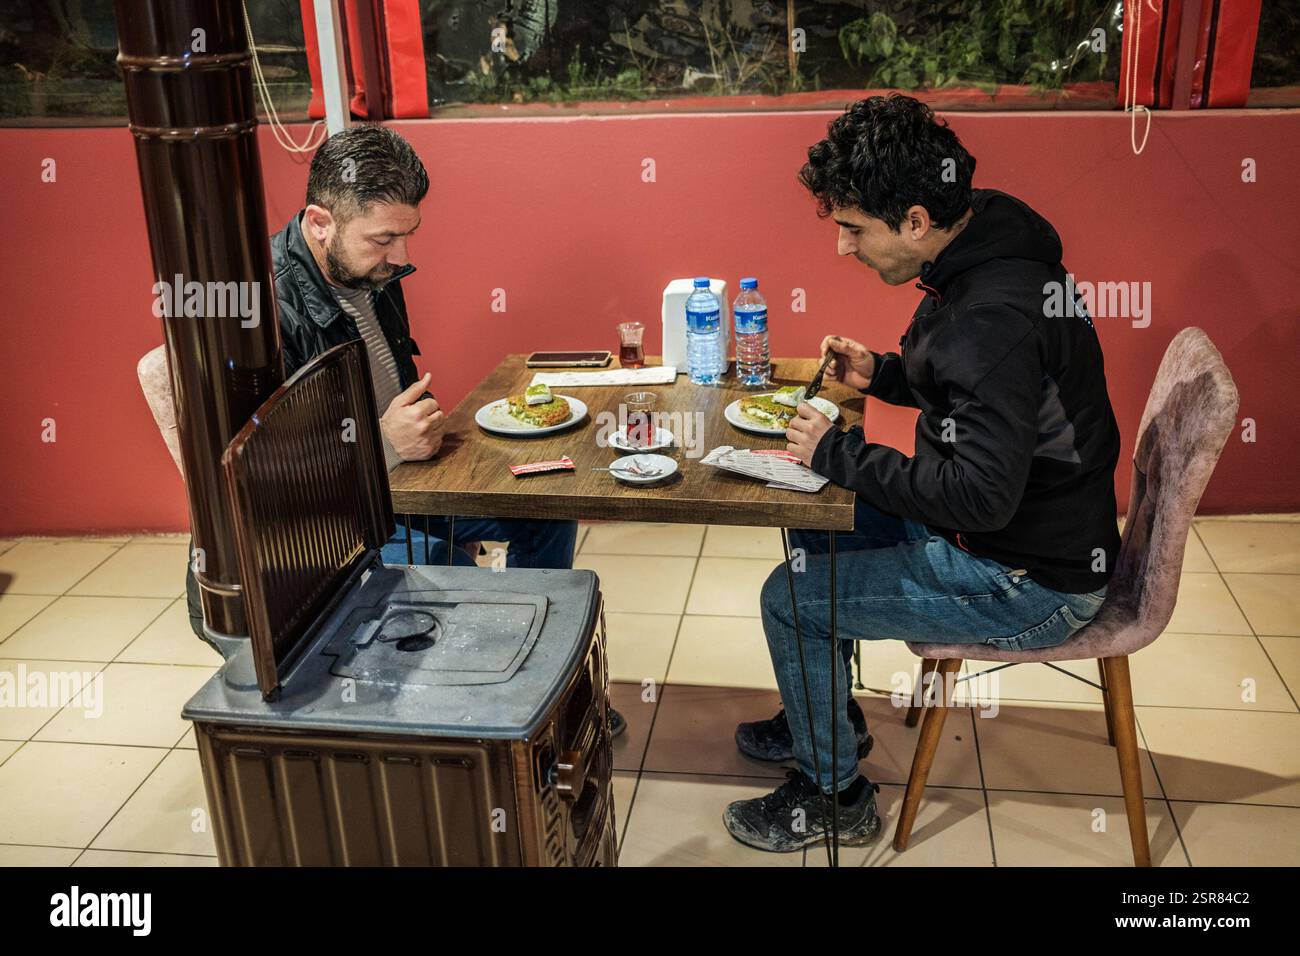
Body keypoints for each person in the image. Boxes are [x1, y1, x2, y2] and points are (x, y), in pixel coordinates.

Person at [723, 94, 1121, 852]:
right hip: (1012, 532)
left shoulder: (990, 315)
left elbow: (983, 495)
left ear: (912, 219)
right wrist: (884, 375)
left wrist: (838, 450)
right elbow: (975, 393)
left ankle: (834, 793)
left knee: (790, 599)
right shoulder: (985, 237)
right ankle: (826, 716)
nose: (841, 248)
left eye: (853, 228)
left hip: (1025, 575)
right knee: (812, 517)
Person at [183, 126, 627, 729]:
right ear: (320, 222)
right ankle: (492, 707)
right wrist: (383, 441)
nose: (399, 256)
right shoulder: (264, 310)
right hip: (329, 518)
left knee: (545, 505)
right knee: (454, 574)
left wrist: (412, 445)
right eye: (383, 239)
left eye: (407, 235)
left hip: (399, 478)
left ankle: (538, 686)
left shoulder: (371, 273)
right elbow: (268, 473)